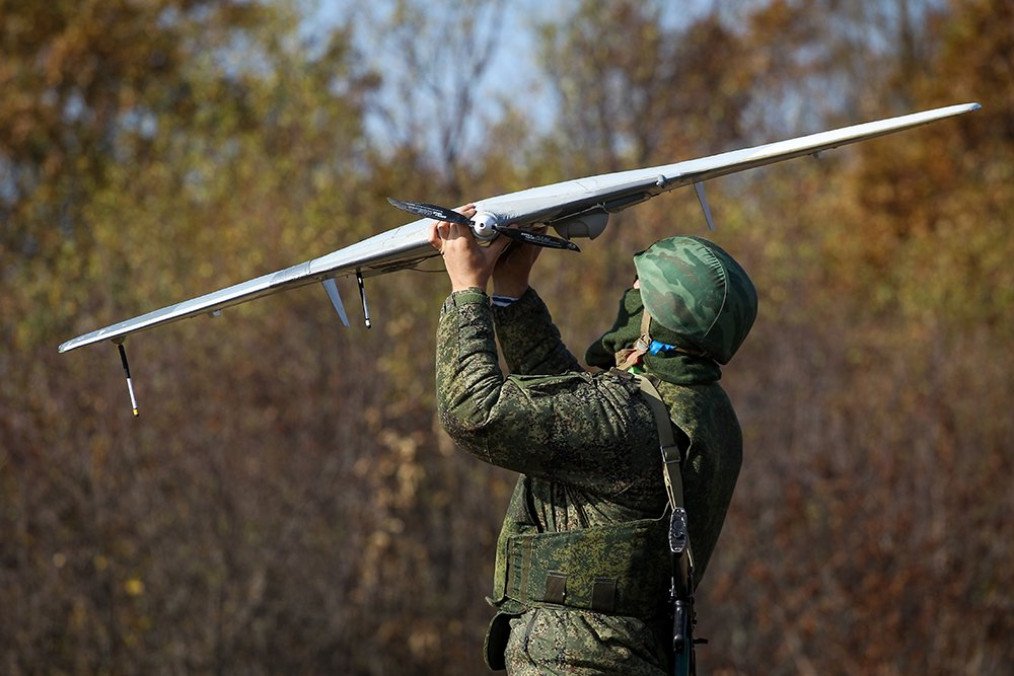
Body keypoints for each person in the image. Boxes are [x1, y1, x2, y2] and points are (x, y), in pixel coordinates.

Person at [429, 206, 757, 674]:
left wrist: (467, 291)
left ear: (657, 320)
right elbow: (580, 425)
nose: (628, 296)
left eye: (638, 292)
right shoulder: (703, 408)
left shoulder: (628, 417)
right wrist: (513, 295)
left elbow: (474, 411)